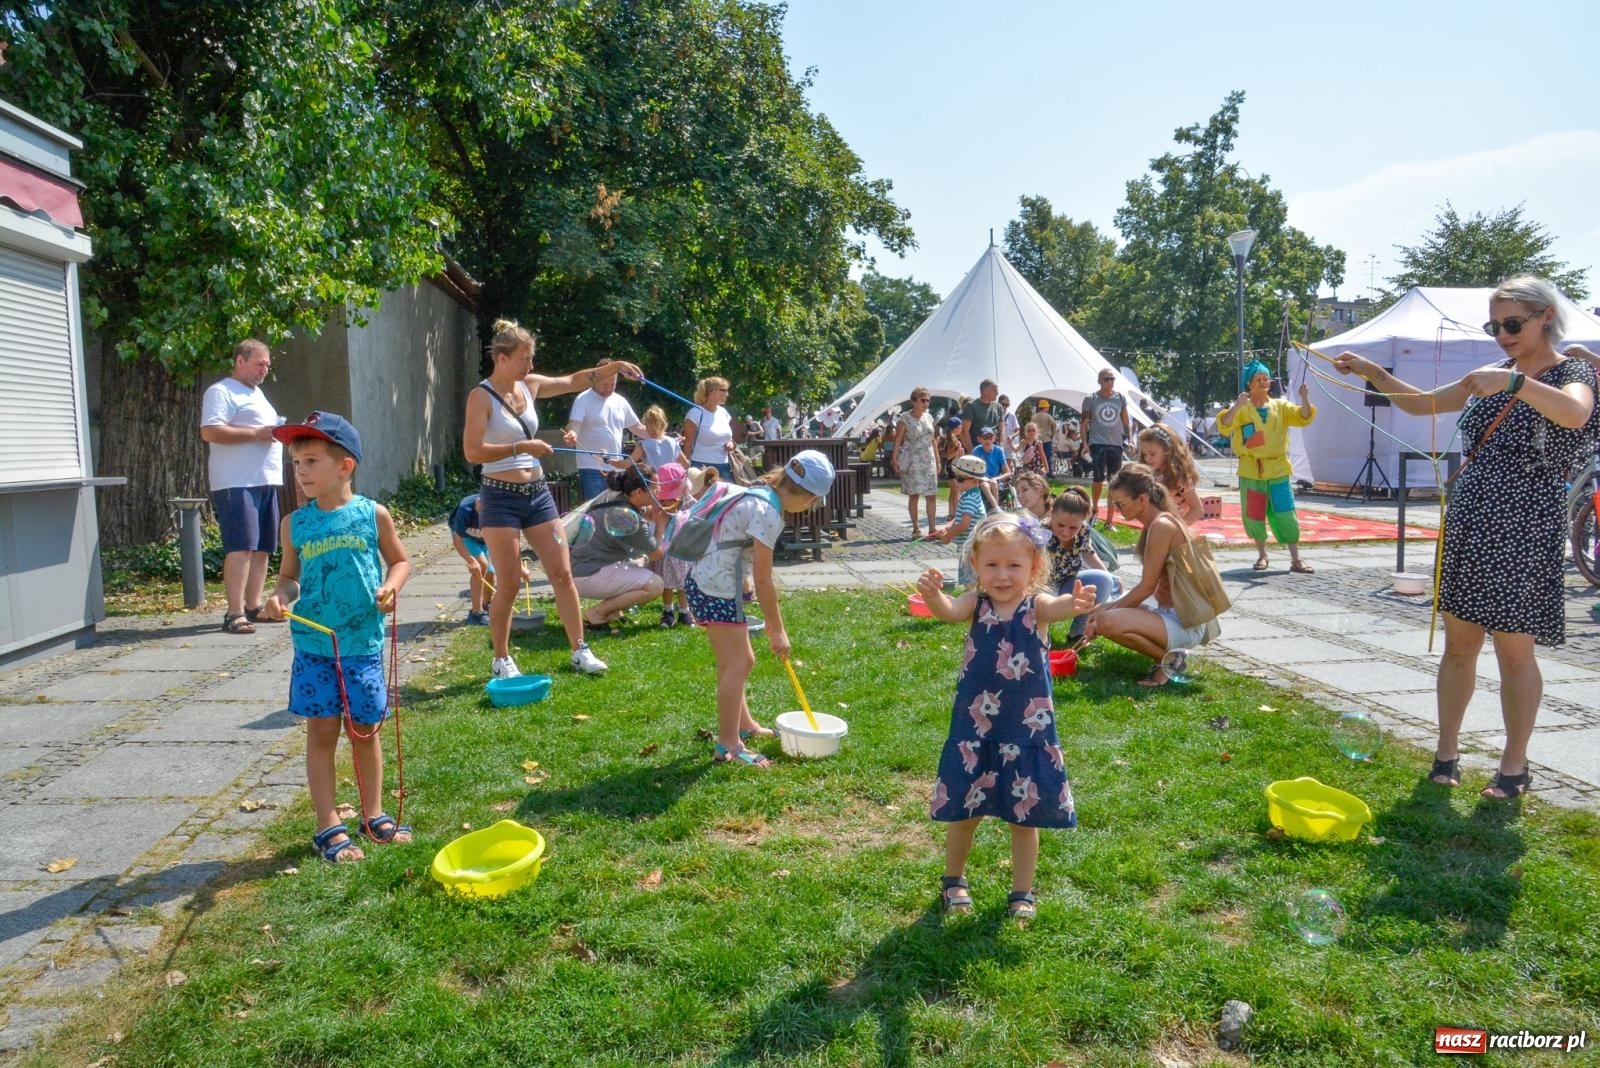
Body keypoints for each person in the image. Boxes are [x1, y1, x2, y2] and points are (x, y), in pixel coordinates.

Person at [1333, 277, 1600, 800]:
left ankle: (1514, 765)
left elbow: (1576, 412)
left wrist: (1516, 385)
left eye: (1512, 324)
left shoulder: (1569, 372)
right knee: (1459, 646)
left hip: (1523, 528)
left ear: (1545, 316)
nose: (1502, 334)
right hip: (1472, 522)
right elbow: (1424, 404)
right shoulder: (1496, 372)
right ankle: (1447, 751)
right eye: (1494, 325)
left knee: (1515, 653)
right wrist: (1371, 370)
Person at [915, 512, 1096, 921]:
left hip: (1025, 731)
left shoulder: (1037, 607)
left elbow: (1059, 605)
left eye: (1014, 565)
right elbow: (948, 610)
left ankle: (1022, 892)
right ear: (976, 565)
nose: (1002, 575)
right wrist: (932, 597)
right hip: (976, 730)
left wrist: (1077, 603)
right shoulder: (975, 604)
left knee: (1024, 816)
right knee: (966, 810)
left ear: (1033, 567)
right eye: (992, 565)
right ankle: (953, 880)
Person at [258, 412, 412, 864]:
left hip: (361, 643)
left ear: (345, 467)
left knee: (365, 731)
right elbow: (289, 577)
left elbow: (400, 562)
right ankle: (327, 824)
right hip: (314, 646)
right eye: (294, 463)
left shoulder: (372, 515)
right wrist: (278, 596)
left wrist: (391, 587)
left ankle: (374, 813)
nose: (300, 472)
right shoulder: (294, 524)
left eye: (310, 461)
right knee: (322, 732)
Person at [463, 319, 642, 679]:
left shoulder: (529, 385)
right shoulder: (480, 396)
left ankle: (580, 649)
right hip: (499, 496)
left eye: (531, 358)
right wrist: (520, 446)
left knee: (562, 572)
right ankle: (501, 658)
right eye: (523, 359)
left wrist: (615, 367)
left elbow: (575, 380)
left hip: (537, 492)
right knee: (510, 581)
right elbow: (472, 451)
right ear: (501, 357)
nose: (530, 366)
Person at [688, 451, 836, 768]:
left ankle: (744, 724)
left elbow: (730, 541)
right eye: (814, 503)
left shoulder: (758, 492)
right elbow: (765, 578)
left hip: (706, 581)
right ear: (809, 497)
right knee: (740, 662)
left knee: (731, 663)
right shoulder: (769, 511)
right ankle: (728, 744)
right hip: (716, 590)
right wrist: (777, 629)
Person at [1082, 464, 1221, 686]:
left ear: (1142, 499)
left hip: (1183, 622)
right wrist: (1106, 608)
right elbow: (1149, 589)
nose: (1117, 509)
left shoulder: (1161, 526)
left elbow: (1146, 588)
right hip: (1170, 613)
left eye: (1120, 503)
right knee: (1106, 611)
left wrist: (1105, 611)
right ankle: (1168, 657)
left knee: (1106, 621)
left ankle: (1171, 661)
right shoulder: (1156, 523)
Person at [200, 339, 284, 635]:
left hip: (265, 480)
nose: (264, 370)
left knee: (262, 548)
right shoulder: (221, 391)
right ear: (239, 361)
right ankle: (233, 613)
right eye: (259, 364)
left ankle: (253, 606)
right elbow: (210, 431)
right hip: (237, 482)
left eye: (267, 365)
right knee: (242, 546)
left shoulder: (258, 394)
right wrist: (256, 434)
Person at [1216, 360, 1316, 573]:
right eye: (1258, 379)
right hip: (1252, 470)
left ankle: (1296, 559)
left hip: (1278, 469)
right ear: (1249, 384)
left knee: (1286, 511)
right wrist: (1237, 405)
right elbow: (1224, 426)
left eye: (1265, 378)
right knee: (1254, 514)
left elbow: (1304, 417)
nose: (1263, 382)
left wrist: (1305, 398)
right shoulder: (1243, 409)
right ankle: (1262, 555)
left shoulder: (1280, 405)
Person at [570, 463, 666, 635]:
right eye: (655, 488)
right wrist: (661, 525)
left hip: (578, 567)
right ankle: (597, 614)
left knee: (635, 564)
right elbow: (656, 554)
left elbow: (645, 511)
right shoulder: (627, 517)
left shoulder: (614, 496)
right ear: (638, 492)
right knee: (655, 585)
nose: (659, 491)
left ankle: (613, 612)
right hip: (586, 574)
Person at [564, 362, 646, 502]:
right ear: (596, 379)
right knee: (597, 509)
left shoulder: (621, 401)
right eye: (605, 384)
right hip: (591, 468)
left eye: (612, 384)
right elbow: (575, 425)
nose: (608, 388)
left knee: (617, 510)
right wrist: (572, 434)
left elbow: (637, 427)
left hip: (617, 469)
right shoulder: (583, 399)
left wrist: (660, 435)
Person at [1046, 487, 1120, 640]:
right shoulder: (1040, 532)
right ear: (1051, 514)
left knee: (1104, 580)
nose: (1066, 532)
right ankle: (1039, 635)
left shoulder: (1084, 531)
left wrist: (1111, 577)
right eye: (1060, 525)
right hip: (1043, 585)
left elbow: (1088, 552)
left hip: (1068, 582)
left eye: (1073, 527)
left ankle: (1078, 632)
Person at [929, 454, 990, 587]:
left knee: (972, 582)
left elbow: (964, 524)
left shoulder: (969, 498)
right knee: (971, 580)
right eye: (956, 477)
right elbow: (959, 517)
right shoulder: (970, 494)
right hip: (969, 546)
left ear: (975, 480)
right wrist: (948, 527)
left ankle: (972, 604)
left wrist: (948, 537)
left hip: (971, 548)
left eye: (960, 478)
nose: (956, 481)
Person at [1082, 369, 1131, 529]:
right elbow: (1083, 424)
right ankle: (1094, 508)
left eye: (1112, 379)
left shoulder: (1120, 398)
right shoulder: (1091, 399)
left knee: (1114, 482)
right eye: (1106, 379)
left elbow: (1126, 421)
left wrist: (1129, 439)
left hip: (1116, 444)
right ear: (1099, 381)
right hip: (1097, 442)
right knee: (1098, 479)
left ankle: (1110, 521)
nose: (1109, 382)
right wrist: (1084, 443)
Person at [648, 463, 696, 627]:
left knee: (683, 584)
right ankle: (668, 611)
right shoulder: (661, 506)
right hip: (666, 553)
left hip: (683, 552)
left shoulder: (690, 503)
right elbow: (658, 532)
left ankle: (685, 611)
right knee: (666, 583)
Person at [892, 387, 940, 536]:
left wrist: (938, 460)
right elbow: (898, 441)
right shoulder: (905, 419)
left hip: (928, 460)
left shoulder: (929, 417)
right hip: (913, 461)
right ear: (914, 401)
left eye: (927, 401)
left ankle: (932, 529)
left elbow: (933, 440)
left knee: (931, 494)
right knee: (915, 494)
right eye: (922, 400)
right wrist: (894, 458)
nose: (926, 403)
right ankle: (916, 528)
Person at [1137, 425, 1203, 523]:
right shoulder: (1151, 475)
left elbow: (1197, 509)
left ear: (1168, 450)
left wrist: (1180, 529)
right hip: (1153, 528)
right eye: (1145, 454)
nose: (1147, 459)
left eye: (1152, 454)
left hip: (1172, 532)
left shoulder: (1179, 478)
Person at [447, 494, 493, 625]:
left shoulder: (497, 510)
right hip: (465, 537)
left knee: (491, 572)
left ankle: (486, 605)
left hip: (485, 539)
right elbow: (457, 540)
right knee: (481, 565)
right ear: (478, 503)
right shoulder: (465, 510)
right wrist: (471, 561)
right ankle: (476, 613)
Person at [682, 376, 740, 479]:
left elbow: (728, 437)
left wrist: (731, 443)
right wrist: (685, 470)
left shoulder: (724, 413)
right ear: (713, 391)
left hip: (724, 467)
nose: (727, 394)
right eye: (724, 390)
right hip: (700, 466)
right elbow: (688, 444)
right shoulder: (695, 413)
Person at [630, 404, 689, 472]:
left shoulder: (644, 445)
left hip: (654, 481)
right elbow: (685, 465)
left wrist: (615, 462)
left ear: (649, 425)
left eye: (646, 424)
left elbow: (627, 463)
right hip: (671, 480)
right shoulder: (673, 442)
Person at [959, 380, 1005, 454]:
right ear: (985, 391)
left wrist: (1001, 447)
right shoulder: (971, 406)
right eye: (995, 390)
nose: (997, 393)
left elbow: (1001, 430)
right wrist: (972, 452)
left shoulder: (999, 407)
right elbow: (965, 431)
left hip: (994, 450)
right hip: (978, 450)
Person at [973, 426, 1011, 509]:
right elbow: (973, 470)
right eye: (985, 438)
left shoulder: (999, 451)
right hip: (982, 480)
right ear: (979, 439)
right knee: (984, 485)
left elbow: (1008, 472)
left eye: (990, 438)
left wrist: (997, 478)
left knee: (993, 483)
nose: (987, 440)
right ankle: (996, 508)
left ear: (994, 439)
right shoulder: (976, 451)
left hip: (995, 480)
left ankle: (995, 509)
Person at [1030, 399, 1057, 473]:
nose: (1048, 408)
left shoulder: (1034, 417)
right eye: (1047, 407)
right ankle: (1049, 472)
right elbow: (1054, 425)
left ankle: (1038, 471)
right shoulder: (1048, 416)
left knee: (1038, 457)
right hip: (1047, 439)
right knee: (1048, 457)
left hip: (1037, 440)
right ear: (1045, 407)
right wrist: (1053, 434)